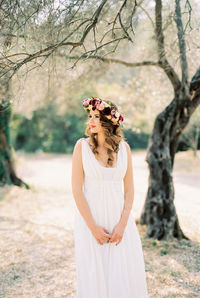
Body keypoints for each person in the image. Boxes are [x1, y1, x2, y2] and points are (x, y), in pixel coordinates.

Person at [71, 97, 149, 298]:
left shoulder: (125, 149)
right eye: (90, 116)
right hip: (91, 221)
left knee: (123, 275)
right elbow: (77, 190)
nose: (91, 120)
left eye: (96, 116)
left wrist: (122, 225)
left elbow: (129, 190)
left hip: (119, 222)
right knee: (94, 275)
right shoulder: (82, 148)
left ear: (109, 120)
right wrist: (93, 227)